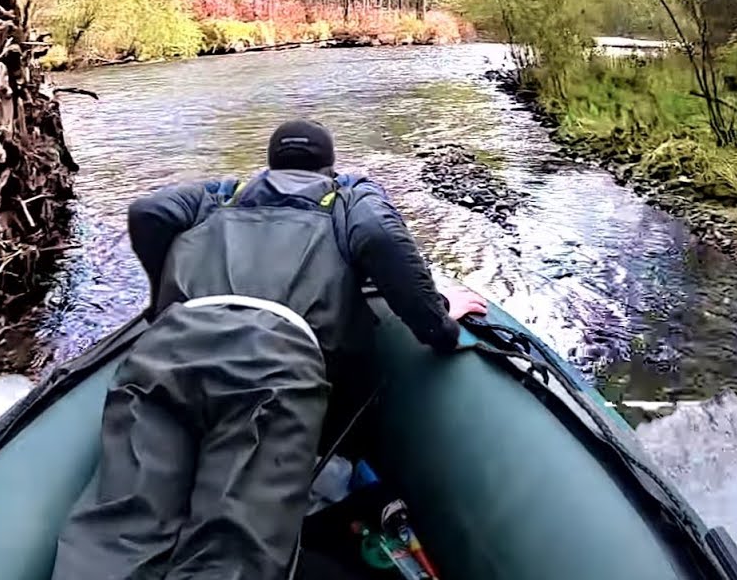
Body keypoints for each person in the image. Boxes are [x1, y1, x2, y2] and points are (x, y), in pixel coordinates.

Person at [51, 119, 487, 580]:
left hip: (167, 351)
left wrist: (165, 297)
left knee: (120, 523)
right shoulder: (347, 195)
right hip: (272, 367)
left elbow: (147, 212)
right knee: (235, 543)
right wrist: (440, 323)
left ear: (271, 162)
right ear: (328, 165)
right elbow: (380, 237)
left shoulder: (222, 194)